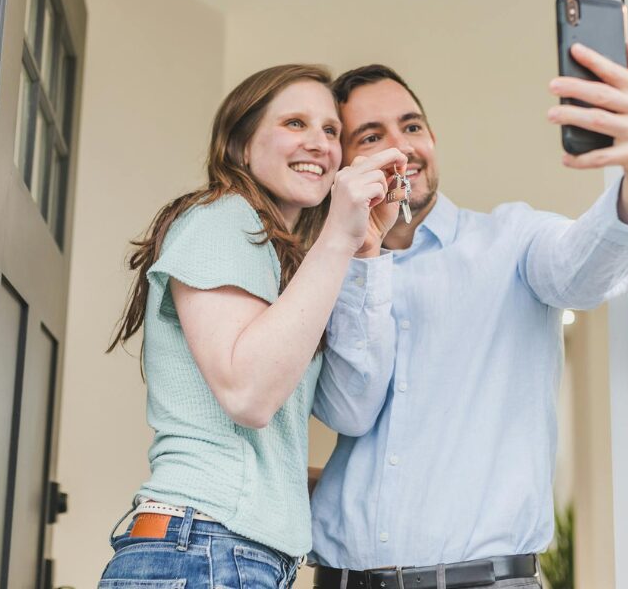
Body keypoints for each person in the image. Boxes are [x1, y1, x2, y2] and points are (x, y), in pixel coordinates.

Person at [309, 42, 628, 587]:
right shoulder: (325, 275)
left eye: (412, 128)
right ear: (342, 165)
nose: (401, 148)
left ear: (432, 139)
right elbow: (347, 414)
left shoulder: (513, 239)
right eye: (371, 136)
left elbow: (581, 269)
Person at [99, 64, 406, 589]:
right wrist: (337, 232)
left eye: (331, 131)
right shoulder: (222, 217)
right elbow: (249, 395)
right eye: (294, 123)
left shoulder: (286, 262)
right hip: (204, 547)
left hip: (229, 552)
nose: (320, 144)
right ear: (241, 145)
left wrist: (366, 250)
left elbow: (350, 410)